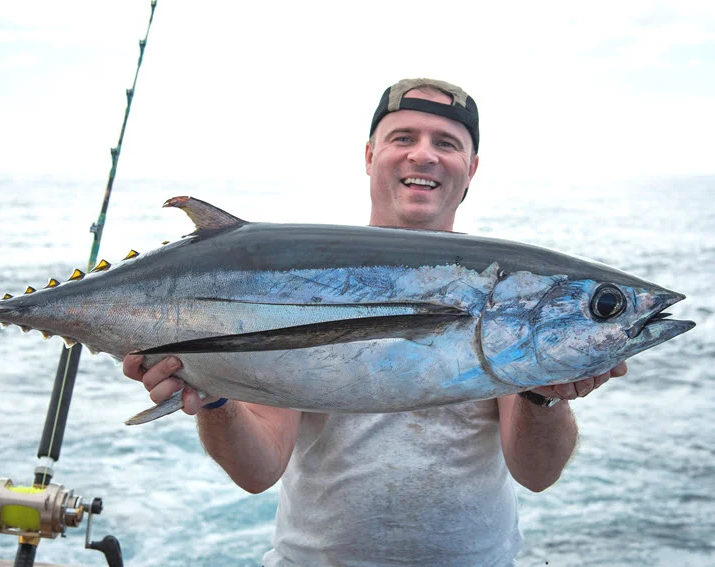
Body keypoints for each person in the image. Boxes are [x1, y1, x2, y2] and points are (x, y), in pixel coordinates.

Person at [123, 78, 628, 566]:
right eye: (403, 137)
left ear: (471, 168)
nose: (424, 154)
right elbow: (258, 470)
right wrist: (214, 398)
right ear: (369, 155)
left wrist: (544, 395)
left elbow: (536, 474)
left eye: (446, 142)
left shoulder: (501, 294)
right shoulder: (302, 278)